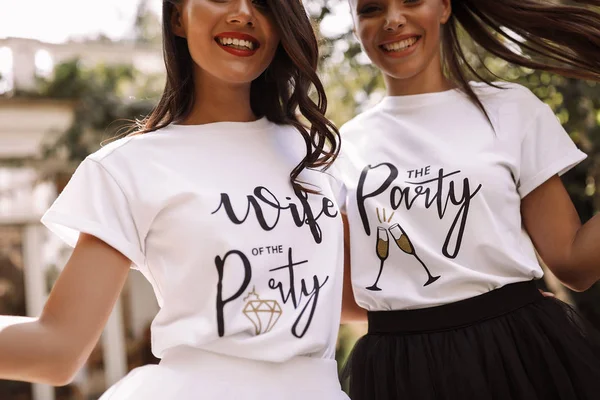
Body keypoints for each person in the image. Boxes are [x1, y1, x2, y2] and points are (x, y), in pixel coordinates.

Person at [0, 1, 349, 399]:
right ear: (178, 17)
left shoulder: (317, 153)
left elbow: (368, 295)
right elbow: (58, 349)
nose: (243, 13)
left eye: (263, 3)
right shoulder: (129, 168)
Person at [336, 0, 600, 399]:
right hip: (401, 371)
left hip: (517, 352)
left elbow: (574, 263)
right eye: (371, 8)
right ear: (355, 24)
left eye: (411, 0)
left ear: (443, 7)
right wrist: (443, 305)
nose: (392, 19)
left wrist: (495, 308)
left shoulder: (511, 109)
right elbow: (347, 299)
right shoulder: (338, 149)